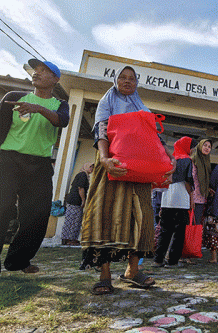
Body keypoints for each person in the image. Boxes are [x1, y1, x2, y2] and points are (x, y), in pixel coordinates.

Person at [80, 66, 175, 295]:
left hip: (138, 170)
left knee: (141, 216)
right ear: (115, 80)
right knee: (105, 213)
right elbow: (101, 131)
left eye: (131, 78)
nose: (127, 81)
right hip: (112, 165)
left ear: (137, 83)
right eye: (122, 77)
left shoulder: (142, 107)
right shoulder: (107, 102)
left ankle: (133, 271)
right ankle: (105, 275)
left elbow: (154, 140)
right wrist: (104, 158)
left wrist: (167, 163)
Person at [0, 58, 69, 273]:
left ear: (55, 79)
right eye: (35, 70)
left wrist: (37, 108)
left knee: (38, 215)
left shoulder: (60, 105)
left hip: (39, 165)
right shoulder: (13, 98)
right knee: (2, 209)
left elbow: (62, 121)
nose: (36, 73)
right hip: (8, 160)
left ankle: (18, 262)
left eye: (43, 71)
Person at [153, 136, 196, 268]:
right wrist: (192, 197)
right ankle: (172, 261)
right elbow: (188, 181)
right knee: (178, 233)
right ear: (187, 147)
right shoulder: (187, 160)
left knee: (164, 231)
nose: (193, 150)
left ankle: (158, 260)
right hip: (181, 200)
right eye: (192, 147)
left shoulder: (170, 159)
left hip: (167, 199)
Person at [61, 162, 94, 246]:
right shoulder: (83, 175)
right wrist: (83, 200)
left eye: (92, 167)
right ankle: (69, 239)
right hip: (75, 201)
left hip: (73, 200)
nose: (92, 169)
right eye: (90, 167)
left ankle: (69, 239)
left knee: (74, 219)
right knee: (73, 220)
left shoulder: (83, 175)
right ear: (86, 167)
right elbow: (80, 188)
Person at [191, 139, 213, 225]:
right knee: (189, 224)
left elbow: (204, 181)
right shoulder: (193, 160)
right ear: (200, 146)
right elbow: (190, 180)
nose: (207, 148)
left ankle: (193, 239)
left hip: (201, 198)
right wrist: (191, 198)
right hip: (192, 198)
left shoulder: (207, 163)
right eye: (205, 145)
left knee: (196, 224)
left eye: (209, 147)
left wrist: (208, 189)